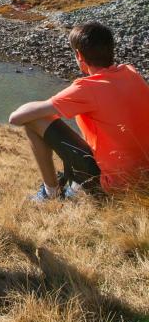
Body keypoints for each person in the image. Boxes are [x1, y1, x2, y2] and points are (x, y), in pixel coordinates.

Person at [9, 22, 149, 201]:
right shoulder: (131, 72)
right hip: (144, 178)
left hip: (117, 187)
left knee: (34, 121)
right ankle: (73, 184)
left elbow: (16, 118)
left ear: (79, 55)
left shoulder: (87, 88)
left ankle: (50, 193)